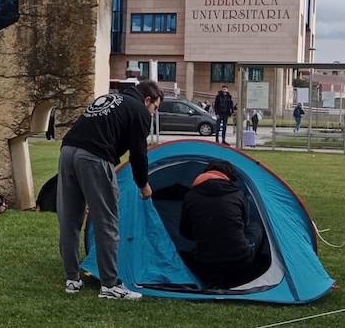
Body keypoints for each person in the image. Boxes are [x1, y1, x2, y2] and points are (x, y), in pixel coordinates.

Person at [58, 79, 162, 300]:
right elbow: (138, 154)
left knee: (70, 219)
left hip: (67, 152)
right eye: (155, 108)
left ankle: (72, 279)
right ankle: (110, 285)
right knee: (106, 221)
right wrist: (143, 184)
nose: (153, 114)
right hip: (94, 157)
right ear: (147, 100)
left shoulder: (110, 98)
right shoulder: (139, 111)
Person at [179, 159, 256, 288]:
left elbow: (184, 231)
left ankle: (214, 273)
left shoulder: (190, 195)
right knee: (255, 228)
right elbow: (244, 225)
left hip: (204, 261)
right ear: (229, 177)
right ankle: (258, 267)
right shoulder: (237, 194)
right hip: (239, 259)